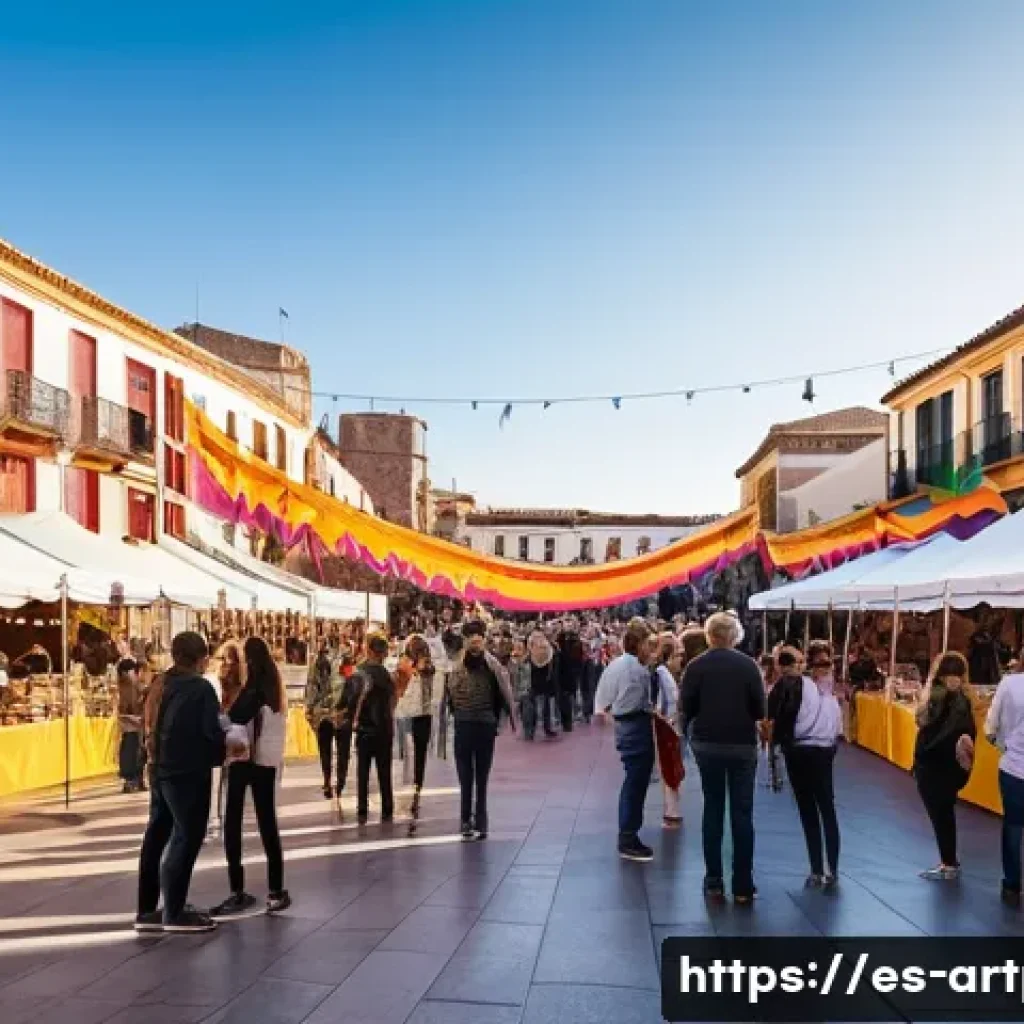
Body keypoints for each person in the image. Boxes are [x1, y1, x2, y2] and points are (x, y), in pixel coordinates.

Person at [137, 632, 244, 934]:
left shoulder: (160, 682)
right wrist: (227, 747)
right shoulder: (198, 688)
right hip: (186, 771)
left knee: (157, 835)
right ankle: (174, 911)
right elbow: (209, 731)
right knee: (186, 836)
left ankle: (147, 910)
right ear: (201, 659)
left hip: (158, 767)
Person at [680, 612, 765, 904]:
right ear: (734, 636)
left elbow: (686, 707)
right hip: (742, 745)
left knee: (713, 809)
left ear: (709, 635)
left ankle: (713, 880)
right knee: (742, 813)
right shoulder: (749, 666)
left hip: (707, 745)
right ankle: (743, 883)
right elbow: (759, 710)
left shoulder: (696, 666)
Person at [212, 636, 291, 916]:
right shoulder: (274, 690)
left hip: (244, 761)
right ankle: (276, 889)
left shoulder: (253, 690)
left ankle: (237, 890)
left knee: (232, 822)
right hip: (266, 763)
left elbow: (234, 717)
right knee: (268, 822)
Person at [767, 642, 843, 888]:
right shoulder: (822, 693)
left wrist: (778, 744)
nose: (824, 668)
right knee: (822, 809)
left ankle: (821, 869)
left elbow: (776, 715)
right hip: (816, 751)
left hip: (802, 750)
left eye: (826, 663)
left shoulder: (806, 688)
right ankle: (827, 869)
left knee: (812, 810)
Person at [595, 618, 657, 862]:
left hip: (625, 725)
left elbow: (604, 700)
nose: (649, 650)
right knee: (636, 781)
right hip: (634, 725)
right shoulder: (636, 670)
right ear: (638, 643)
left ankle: (629, 833)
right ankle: (628, 836)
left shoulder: (618, 664)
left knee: (634, 779)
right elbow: (638, 702)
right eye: (647, 644)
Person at [910, 651, 976, 882]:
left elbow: (928, 728)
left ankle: (949, 862)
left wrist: (922, 758)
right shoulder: (962, 699)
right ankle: (949, 861)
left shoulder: (940, 698)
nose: (954, 679)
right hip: (948, 766)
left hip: (935, 766)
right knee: (944, 814)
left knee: (941, 815)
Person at [446, 618, 514, 840]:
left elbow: (504, 697)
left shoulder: (488, 665)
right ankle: (473, 821)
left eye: (478, 640)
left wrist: (498, 722)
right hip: (472, 725)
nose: (476, 644)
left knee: (475, 777)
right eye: (472, 640)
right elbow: (449, 697)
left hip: (476, 724)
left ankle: (474, 821)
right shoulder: (462, 666)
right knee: (472, 777)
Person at [986, 655, 1024, 906]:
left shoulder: (1009, 684)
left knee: (1013, 826)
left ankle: (1012, 884)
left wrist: (1004, 744)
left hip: (1013, 766)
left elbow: (991, 726)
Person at [395, 634, 441, 823]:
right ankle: (416, 782)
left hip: (408, 713)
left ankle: (413, 781)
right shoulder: (426, 667)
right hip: (422, 714)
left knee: (410, 750)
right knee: (418, 751)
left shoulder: (409, 665)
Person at [353, 633, 396, 824]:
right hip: (384, 728)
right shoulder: (386, 675)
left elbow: (353, 700)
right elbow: (393, 700)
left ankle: (362, 807)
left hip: (364, 728)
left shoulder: (359, 672)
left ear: (368, 650)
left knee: (363, 770)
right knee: (384, 770)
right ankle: (387, 806)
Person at [654, 636, 684, 828]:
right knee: (669, 768)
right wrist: (666, 721)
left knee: (673, 768)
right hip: (667, 727)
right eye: (678, 656)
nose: (681, 660)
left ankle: (672, 809)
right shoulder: (660, 674)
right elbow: (659, 704)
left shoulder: (667, 674)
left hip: (672, 726)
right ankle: (670, 811)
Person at [516, 629, 558, 740]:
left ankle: (529, 732)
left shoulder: (530, 652)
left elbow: (521, 666)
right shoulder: (549, 650)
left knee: (531, 708)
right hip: (542, 682)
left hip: (533, 682)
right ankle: (546, 728)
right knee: (544, 707)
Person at [117, 658, 145, 793]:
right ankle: (131, 781)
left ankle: (138, 779)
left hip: (137, 724)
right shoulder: (125, 686)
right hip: (130, 725)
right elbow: (125, 708)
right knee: (131, 753)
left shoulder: (136, 685)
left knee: (139, 753)